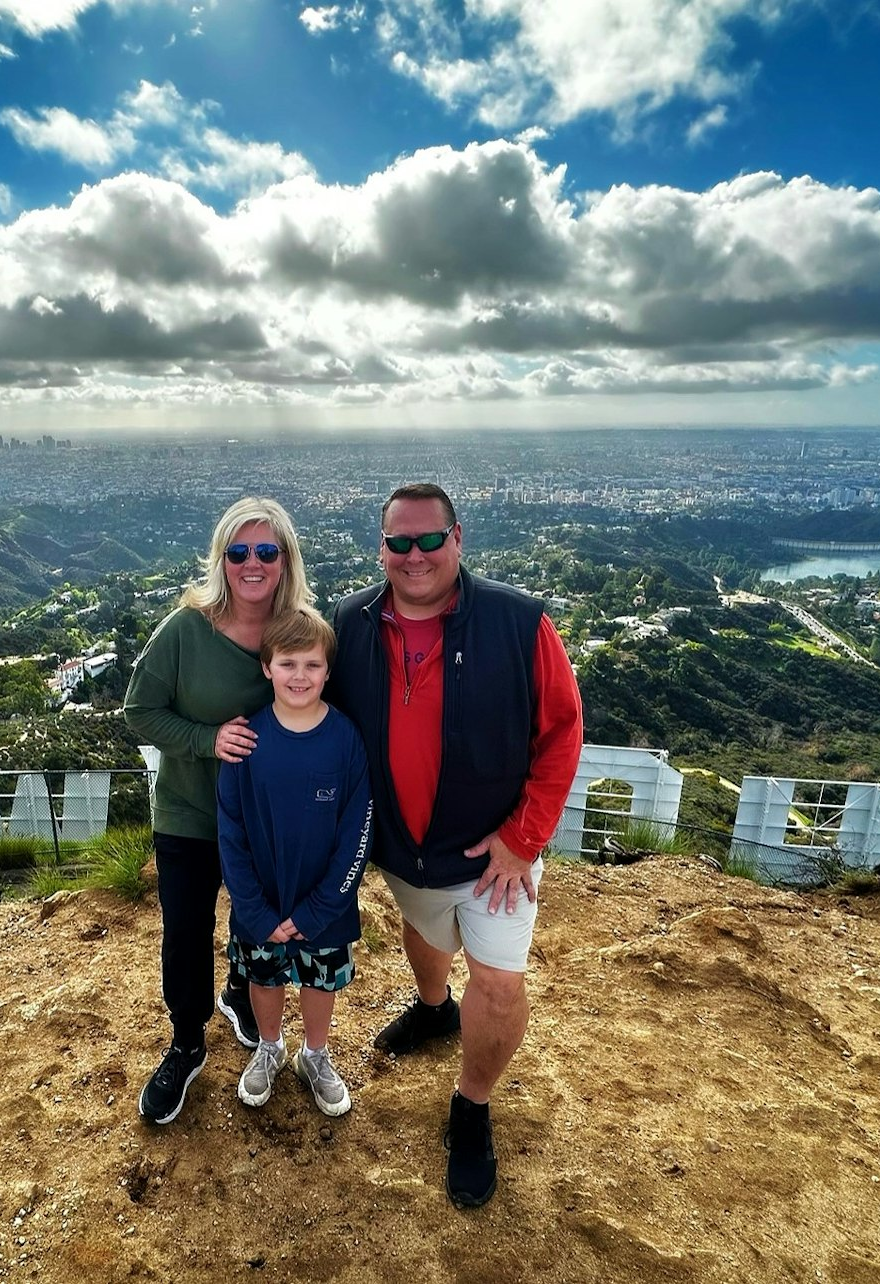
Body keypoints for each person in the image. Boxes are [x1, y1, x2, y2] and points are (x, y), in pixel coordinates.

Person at [330, 482, 583, 1208]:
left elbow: (563, 732)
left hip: (495, 854)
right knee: (423, 929)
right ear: (381, 549)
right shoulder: (349, 624)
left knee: (499, 981)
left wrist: (522, 840)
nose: (415, 556)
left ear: (457, 539)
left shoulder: (518, 621)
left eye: (429, 540)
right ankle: (435, 1007)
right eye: (399, 543)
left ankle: (472, 1103)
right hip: (404, 848)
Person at [124, 497, 312, 1125]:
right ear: (221, 559)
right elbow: (140, 711)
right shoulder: (185, 630)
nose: (252, 564)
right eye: (238, 552)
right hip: (188, 812)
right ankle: (185, 1043)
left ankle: (240, 994)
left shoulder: (298, 634)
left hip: (264, 819)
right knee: (184, 932)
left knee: (257, 923)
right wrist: (207, 740)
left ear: (285, 560)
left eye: (266, 551)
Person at [217, 607, 372, 1117]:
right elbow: (231, 833)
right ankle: (270, 1046)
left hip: (324, 906)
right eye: (287, 663)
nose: (300, 676)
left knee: (318, 980)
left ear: (329, 670)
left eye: (312, 664)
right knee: (263, 978)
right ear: (266, 667)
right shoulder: (247, 741)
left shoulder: (347, 739)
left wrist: (320, 908)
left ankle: (315, 1055)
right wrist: (255, 912)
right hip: (260, 902)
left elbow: (357, 833)